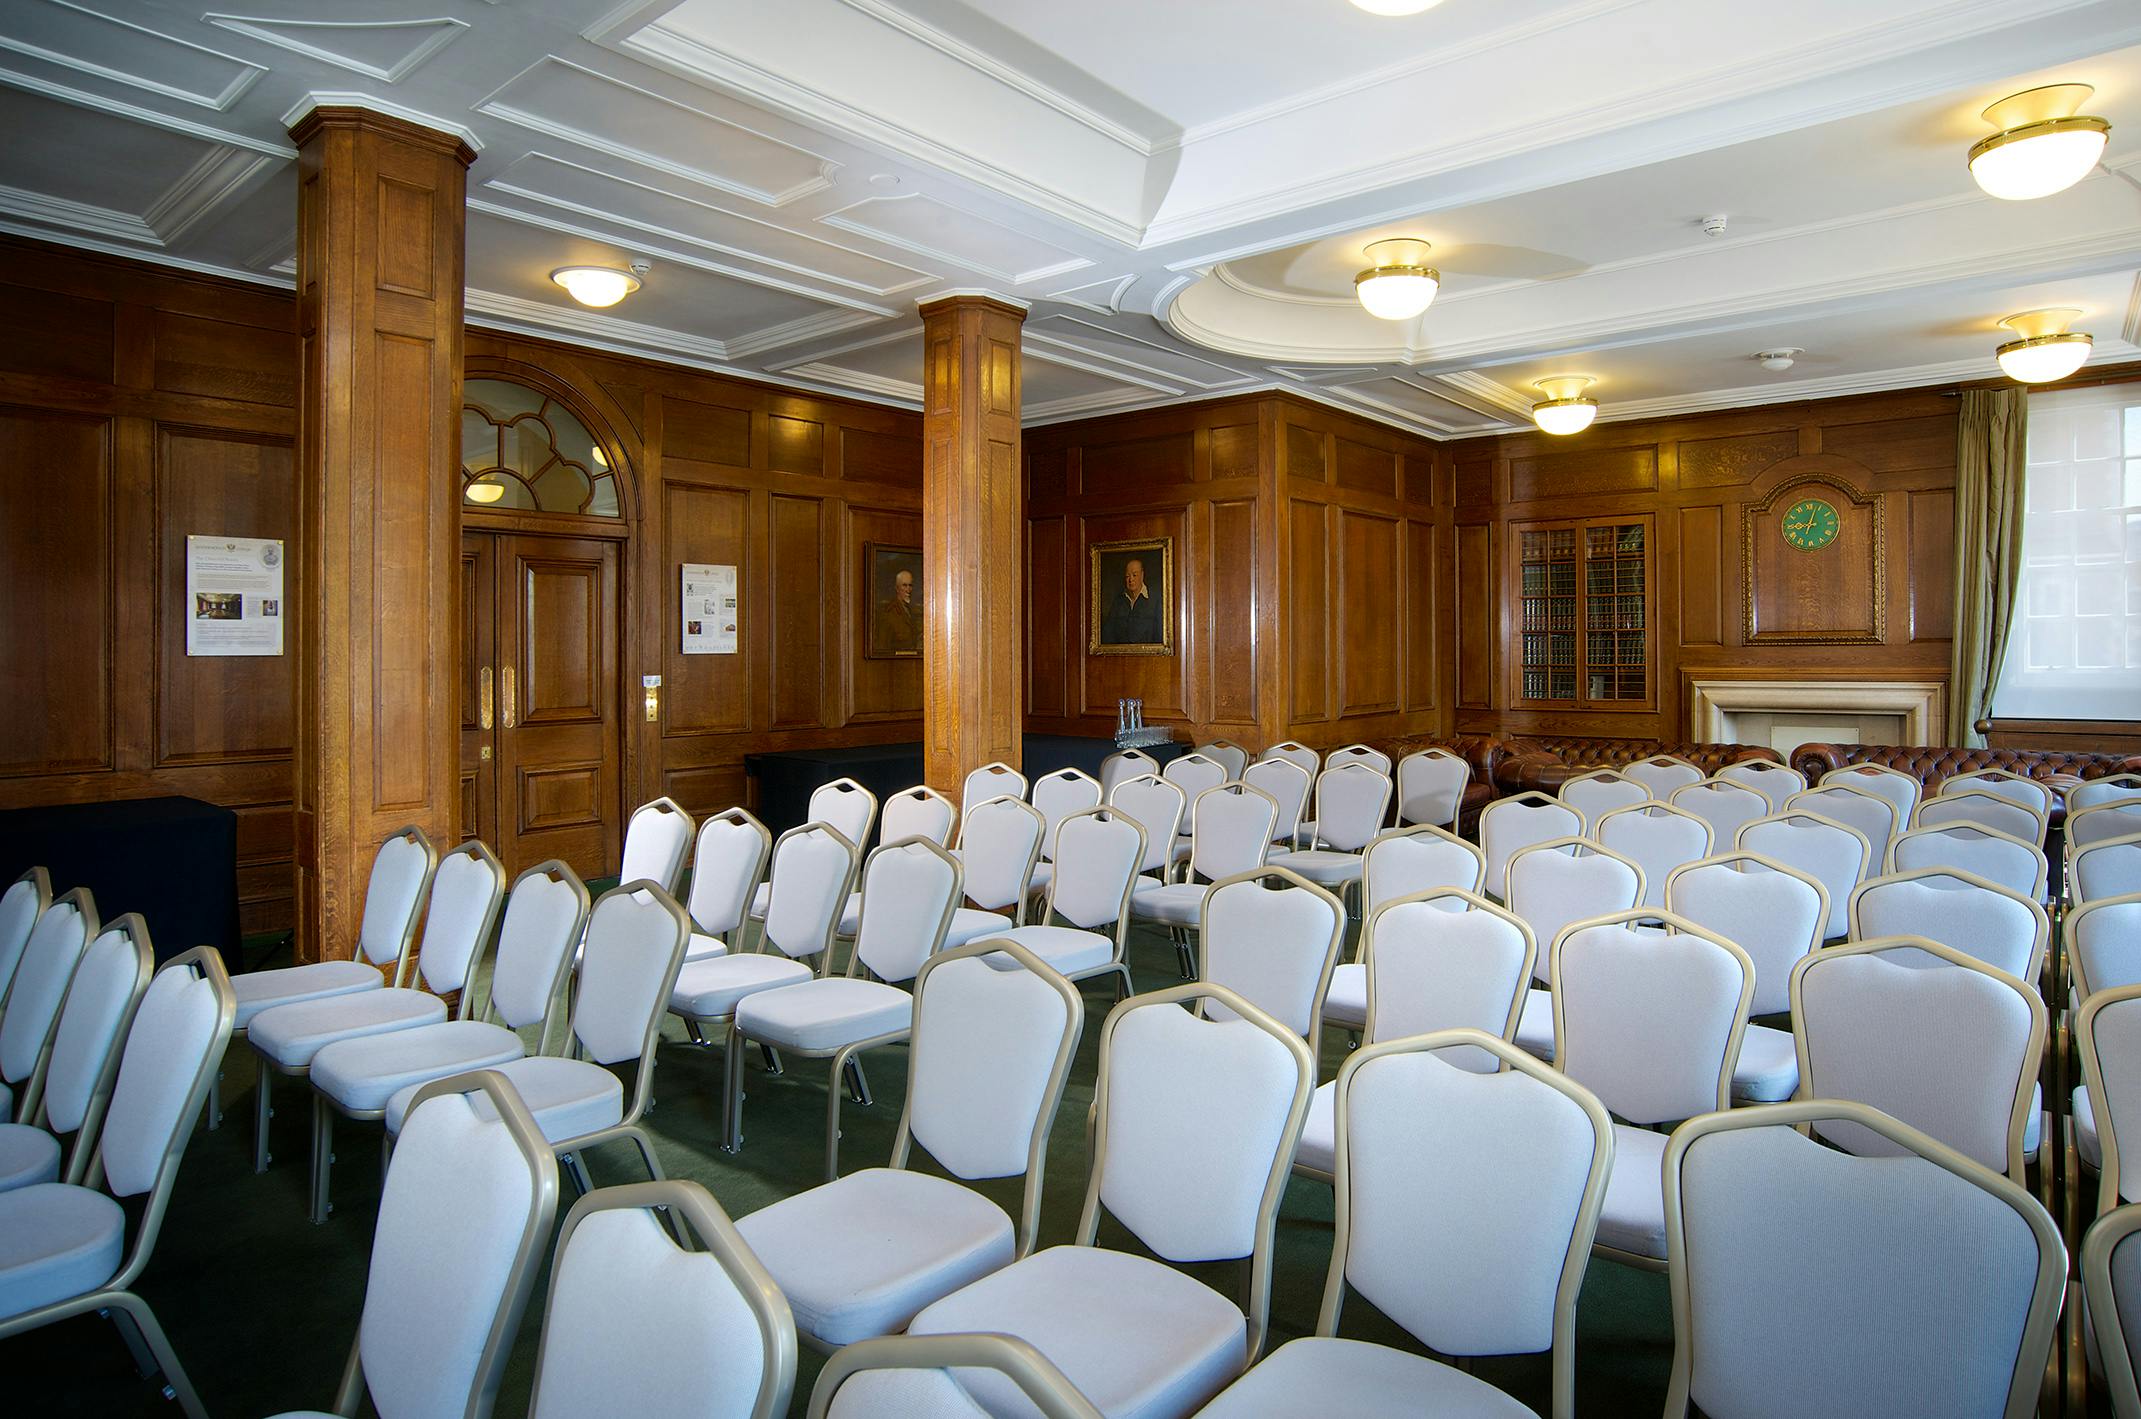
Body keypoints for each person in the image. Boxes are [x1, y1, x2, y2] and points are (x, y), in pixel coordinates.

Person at [1100, 556, 1163, 645]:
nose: (1131, 579)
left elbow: (1160, 637)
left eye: (1134, 575)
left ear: (1142, 575)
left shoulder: (1155, 600)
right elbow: (1108, 634)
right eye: (1127, 576)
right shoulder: (1118, 602)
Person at [873, 566, 920, 654]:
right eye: (904, 585)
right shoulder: (889, 613)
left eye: (910, 585)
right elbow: (882, 647)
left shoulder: (911, 611)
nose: (908, 590)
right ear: (897, 588)